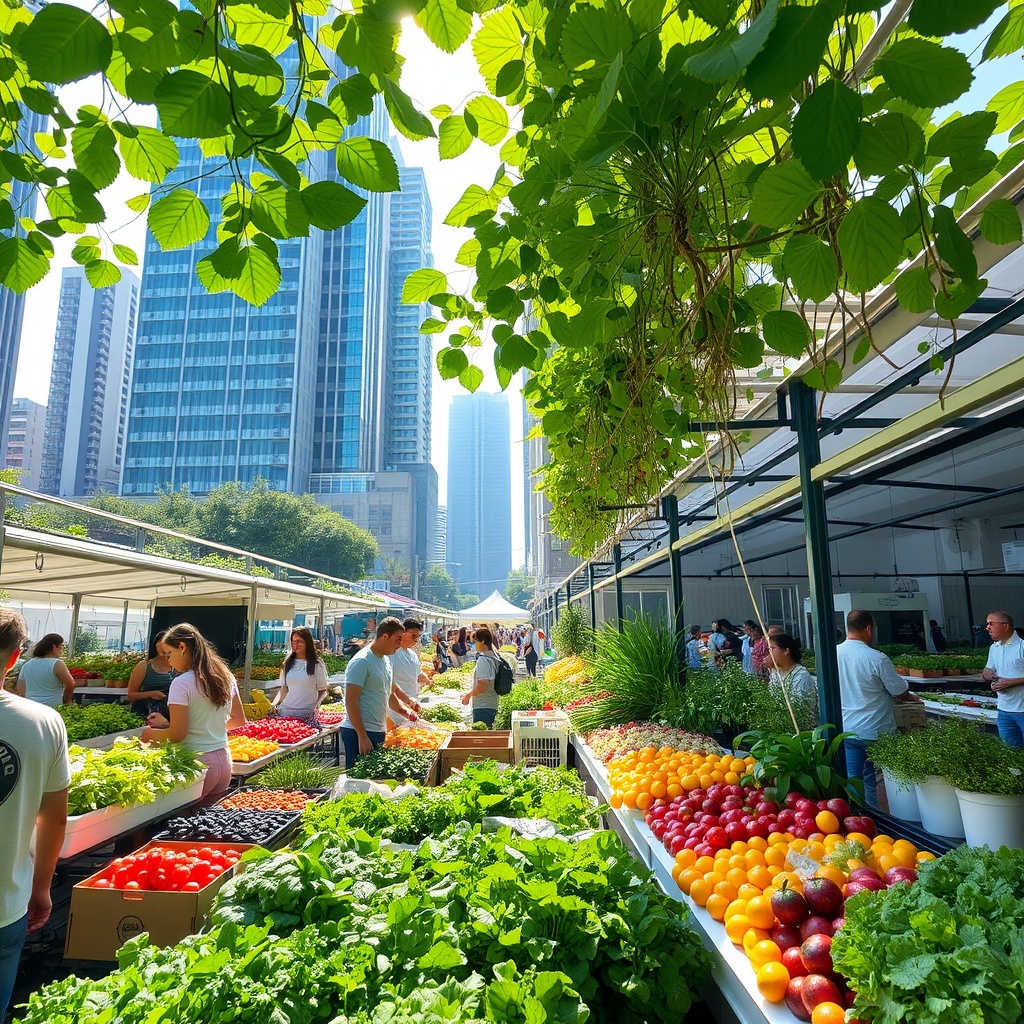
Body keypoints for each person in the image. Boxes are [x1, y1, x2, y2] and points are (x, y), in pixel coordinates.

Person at [0, 611, 70, 1023]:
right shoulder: (44, 723)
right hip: (6, 904)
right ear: (14, 658)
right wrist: (42, 887)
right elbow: (54, 820)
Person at [140, 622, 246, 802]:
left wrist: (149, 734)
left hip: (198, 765)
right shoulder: (225, 676)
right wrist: (171, 725)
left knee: (180, 825)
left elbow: (177, 735)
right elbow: (238, 721)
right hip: (224, 763)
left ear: (182, 647)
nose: (169, 661)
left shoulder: (182, 683)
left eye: (169, 654)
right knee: (208, 825)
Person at [836, 610, 923, 806]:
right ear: (868, 629)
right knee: (877, 779)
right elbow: (899, 691)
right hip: (876, 730)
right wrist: (910, 697)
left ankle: (855, 816)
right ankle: (874, 816)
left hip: (847, 729)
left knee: (853, 778)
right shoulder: (877, 658)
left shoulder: (833, 654)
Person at [339, 617, 419, 769]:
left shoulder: (385, 661)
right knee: (359, 782)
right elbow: (351, 700)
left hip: (377, 730)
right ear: (385, 637)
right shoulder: (362, 661)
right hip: (358, 731)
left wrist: (407, 713)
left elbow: (388, 694)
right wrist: (362, 736)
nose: (400, 644)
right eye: (398, 639)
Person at [981, 611, 1024, 747]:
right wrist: (988, 676)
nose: (987, 627)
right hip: (1004, 710)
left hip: (1022, 709)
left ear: (1005, 625)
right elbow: (987, 670)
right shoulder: (994, 648)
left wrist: (1010, 683)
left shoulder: (1022, 646)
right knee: (1011, 753)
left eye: (991, 623)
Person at [269, 627, 330, 721]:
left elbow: (323, 690)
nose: (295, 644)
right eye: (293, 641)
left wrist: (315, 707)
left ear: (307, 642)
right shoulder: (288, 663)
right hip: (285, 711)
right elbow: (283, 689)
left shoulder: (317, 664)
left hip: (307, 714)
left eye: (299, 641)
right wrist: (274, 703)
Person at [15, 634, 76, 707]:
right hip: (52, 708)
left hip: (31, 708)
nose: (61, 650)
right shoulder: (56, 664)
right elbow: (70, 684)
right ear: (54, 647)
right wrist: (67, 701)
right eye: (61, 646)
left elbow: (20, 690)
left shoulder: (27, 665)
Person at [126, 630, 175, 718]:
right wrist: (151, 694)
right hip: (147, 712)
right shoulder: (144, 666)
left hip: (172, 712)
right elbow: (131, 695)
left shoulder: (178, 666)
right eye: (160, 642)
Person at [461, 626, 503, 728]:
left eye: (476, 641)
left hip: (483, 707)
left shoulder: (484, 660)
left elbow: (483, 685)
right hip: (491, 703)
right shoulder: (494, 657)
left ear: (482, 641)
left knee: (482, 739)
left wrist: (468, 695)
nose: (475, 644)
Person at [387, 619, 428, 722]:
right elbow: (388, 682)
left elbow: (418, 675)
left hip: (412, 702)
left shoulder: (412, 654)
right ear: (403, 633)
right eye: (413, 636)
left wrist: (428, 680)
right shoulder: (392, 653)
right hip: (396, 706)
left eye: (417, 637)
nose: (415, 640)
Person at [766, 633, 817, 704]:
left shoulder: (801, 676)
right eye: (769, 649)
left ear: (786, 651)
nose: (769, 653)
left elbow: (799, 707)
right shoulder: (776, 673)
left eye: (772, 649)